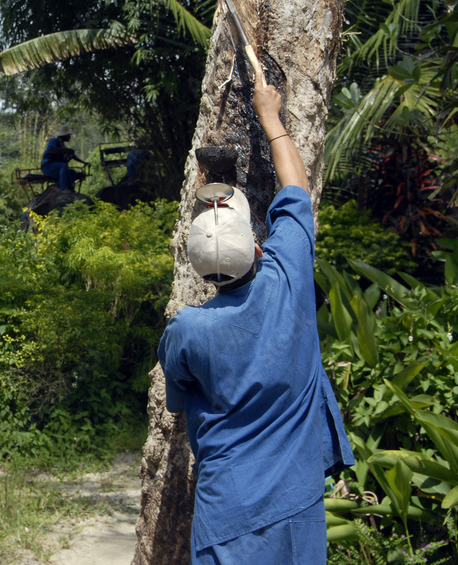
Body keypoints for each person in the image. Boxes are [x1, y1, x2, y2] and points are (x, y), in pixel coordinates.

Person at [157, 78, 354, 564]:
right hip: (296, 499)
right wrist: (270, 116)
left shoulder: (186, 330)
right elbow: (296, 190)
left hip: (227, 512)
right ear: (258, 246)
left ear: (199, 270)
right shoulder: (288, 277)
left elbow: (179, 400)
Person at [40, 125, 88, 192]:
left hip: (56, 168)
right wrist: (65, 150)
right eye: (68, 135)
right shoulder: (54, 141)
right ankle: (64, 189)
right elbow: (51, 151)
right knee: (64, 166)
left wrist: (83, 162)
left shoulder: (62, 145)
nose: (69, 137)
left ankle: (69, 188)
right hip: (48, 166)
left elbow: (73, 156)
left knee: (72, 172)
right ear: (64, 136)